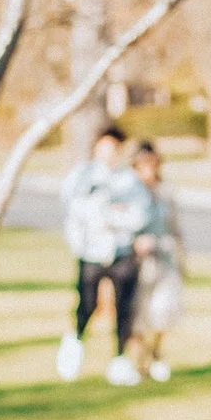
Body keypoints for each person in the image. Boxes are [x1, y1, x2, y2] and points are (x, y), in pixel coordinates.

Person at [56, 124, 152, 386]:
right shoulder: (82, 177)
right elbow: (76, 210)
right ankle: (75, 342)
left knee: (124, 307)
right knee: (87, 303)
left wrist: (114, 217)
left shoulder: (129, 181)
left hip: (121, 253)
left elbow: (140, 215)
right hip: (91, 252)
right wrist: (104, 214)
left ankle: (120, 359)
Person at [127, 142, 186, 383]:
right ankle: (139, 359)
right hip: (137, 261)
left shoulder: (166, 193)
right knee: (137, 314)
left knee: (163, 310)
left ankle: (157, 353)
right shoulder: (129, 192)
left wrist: (181, 257)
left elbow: (175, 227)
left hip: (163, 258)